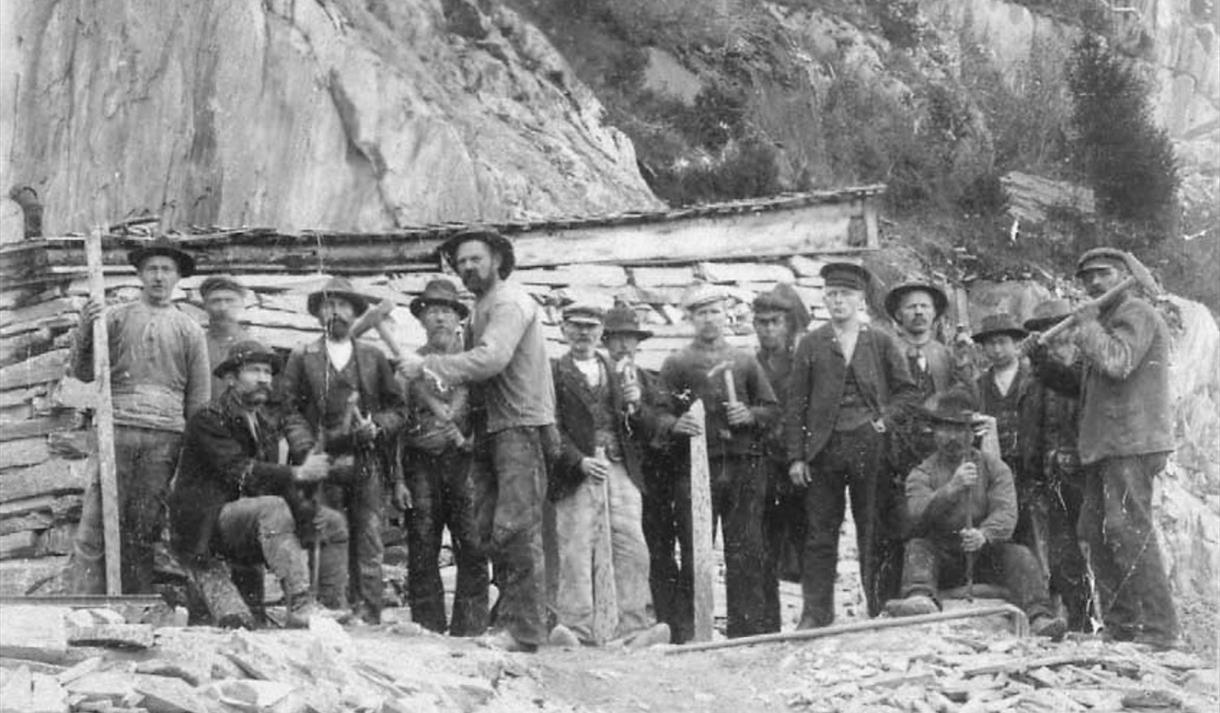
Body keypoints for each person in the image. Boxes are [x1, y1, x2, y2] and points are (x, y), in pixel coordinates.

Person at [398, 230, 556, 652]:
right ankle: (523, 619)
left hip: (518, 426)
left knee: (515, 527)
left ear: (498, 260)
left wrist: (427, 365)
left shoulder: (508, 302)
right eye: (461, 262)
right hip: (491, 431)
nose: (467, 267)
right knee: (490, 531)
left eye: (475, 259)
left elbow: (491, 359)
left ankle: (523, 631)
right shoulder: (481, 309)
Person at [1037, 248, 1178, 648]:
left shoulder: (1136, 313)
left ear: (1124, 276)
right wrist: (1042, 363)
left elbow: (1118, 362)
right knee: (1096, 533)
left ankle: (1158, 630)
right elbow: (1079, 385)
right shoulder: (1105, 322)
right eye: (1088, 278)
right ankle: (1121, 627)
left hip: (1132, 441)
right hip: (1104, 445)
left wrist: (1086, 324)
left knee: (1127, 529)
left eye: (1104, 274)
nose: (1094, 283)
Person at [169, 340, 350, 626]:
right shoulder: (208, 419)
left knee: (332, 523)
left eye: (267, 372)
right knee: (273, 507)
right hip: (205, 527)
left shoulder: (264, 427)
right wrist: (298, 474)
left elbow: (274, 482)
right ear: (230, 378)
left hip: (246, 524)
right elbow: (240, 470)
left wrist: (306, 515)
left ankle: (327, 610)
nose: (264, 379)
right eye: (254, 370)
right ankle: (301, 605)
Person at [67, 237, 211, 594]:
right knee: (97, 517)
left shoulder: (190, 330)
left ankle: (134, 603)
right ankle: (84, 601)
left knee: (144, 525)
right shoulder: (114, 318)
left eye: (166, 270)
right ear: (140, 275)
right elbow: (83, 372)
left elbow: (198, 399)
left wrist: (191, 449)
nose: (159, 277)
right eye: (152, 269)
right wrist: (86, 327)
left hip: (165, 437)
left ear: (178, 277)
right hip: (117, 428)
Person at [784, 262, 918, 628]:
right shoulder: (812, 344)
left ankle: (879, 607)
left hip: (869, 446)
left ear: (860, 299)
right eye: (831, 294)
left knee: (873, 529)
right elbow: (795, 404)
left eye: (845, 294)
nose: (838, 301)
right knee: (819, 533)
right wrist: (797, 456)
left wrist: (883, 421)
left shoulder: (880, 340)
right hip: (823, 450)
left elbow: (907, 392)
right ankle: (816, 613)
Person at [278, 277, 408, 625]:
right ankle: (330, 611)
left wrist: (376, 426)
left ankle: (369, 615)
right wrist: (306, 449)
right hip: (322, 460)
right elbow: (289, 411)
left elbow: (398, 409)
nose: (335, 312)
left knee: (369, 538)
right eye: (328, 305)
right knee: (326, 534)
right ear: (318, 314)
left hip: (366, 461)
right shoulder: (302, 357)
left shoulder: (373, 357)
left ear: (354, 312)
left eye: (342, 305)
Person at [886, 390, 1067, 638]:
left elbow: (1006, 513)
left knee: (1020, 555)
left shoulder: (995, 468)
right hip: (943, 557)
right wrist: (951, 489)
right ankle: (920, 597)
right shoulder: (922, 473)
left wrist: (984, 534)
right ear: (934, 433)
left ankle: (1039, 617)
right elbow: (916, 516)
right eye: (945, 429)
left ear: (971, 434)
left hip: (984, 554)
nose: (952, 437)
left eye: (960, 430)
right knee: (918, 547)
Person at [546, 304, 672, 647]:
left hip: (619, 468)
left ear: (601, 332)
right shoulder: (554, 372)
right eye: (576, 327)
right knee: (576, 547)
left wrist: (636, 405)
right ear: (564, 330)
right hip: (577, 472)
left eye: (590, 327)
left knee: (632, 545)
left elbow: (644, 427)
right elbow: (550, 427)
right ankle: (575, 629)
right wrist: (578, 461)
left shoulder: (617, 373)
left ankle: (634, 626)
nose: (583, 333)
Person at [659, 284, 779, 639]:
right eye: (701, 313)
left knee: (745, 549)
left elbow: (772, 410)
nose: (709, 319)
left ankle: (745, 631)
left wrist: (750, 414)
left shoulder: (744, 361)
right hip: (696, 468)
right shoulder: (677, 363)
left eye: (714, 312)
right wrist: (675, 424)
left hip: (743, 466)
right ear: (690, 319)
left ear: (725, 315)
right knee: (695, 548)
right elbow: (657, 412)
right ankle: (691, 631)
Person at [400, 278, 489, 636]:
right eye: (432, 312)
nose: (439, 318)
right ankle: (427, 628)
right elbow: (398, 422)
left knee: (472, 540)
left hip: (466, 463)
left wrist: (472, 441)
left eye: (446, 311)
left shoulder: (473, 362)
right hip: (421, 463)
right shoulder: (411, 366)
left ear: (457, 319)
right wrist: (398, 478)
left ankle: (471, 627)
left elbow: (490, 410)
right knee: (422, 542)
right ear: (422, 320)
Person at [603, 305, 682, 640]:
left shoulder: (651, 381)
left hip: (650, 480)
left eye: (630, 338)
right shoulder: (597, 378)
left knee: (658, 548)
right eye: (616, 338)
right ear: (606, 342)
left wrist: (639, 408)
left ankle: (667, 625)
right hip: (612, 474)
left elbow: (661, 425)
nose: (624, 345)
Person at [1020, 300, 1089, 630]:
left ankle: (1093, 621)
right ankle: (1077, 621)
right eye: (1044, 328)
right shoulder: (1034, 376)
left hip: (1082, 471)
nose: (1053, 333)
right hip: (1050, 474)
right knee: (1061, 552)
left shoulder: (1082, 366)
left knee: (1088, 547)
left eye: (1058, 325)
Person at [752, 285, 809, 630]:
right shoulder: (750, 363)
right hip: (763, 467)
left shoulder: (803, 362)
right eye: (762, 322)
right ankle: (768, 622)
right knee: (764, 545)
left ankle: (814, 616)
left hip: (799, 465)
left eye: (775, 322)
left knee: (808, 541)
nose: (769, 329)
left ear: (788, 325)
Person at [884, 279, 976, 476]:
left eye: (924, 306)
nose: (919, 312)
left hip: (937, 443)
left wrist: (963, 364)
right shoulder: (888, 352)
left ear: (934, 313)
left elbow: (967, 397)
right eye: (911, 307)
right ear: (899, 314)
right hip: (896, 441)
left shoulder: (945, 354)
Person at [973, 313, 1033, 474]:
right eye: (991, 343)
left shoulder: (1034, 378)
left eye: (1002, 342)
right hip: (994, 467)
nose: (997, 350)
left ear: (1016, 344)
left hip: (1030, 464)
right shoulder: (979, 385)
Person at [199, 275, 250, 397]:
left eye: (230, 301)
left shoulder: (256, 346)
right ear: (205, 306)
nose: (223, 308)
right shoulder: (195, 345)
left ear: (242, 304)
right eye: (215, 301)